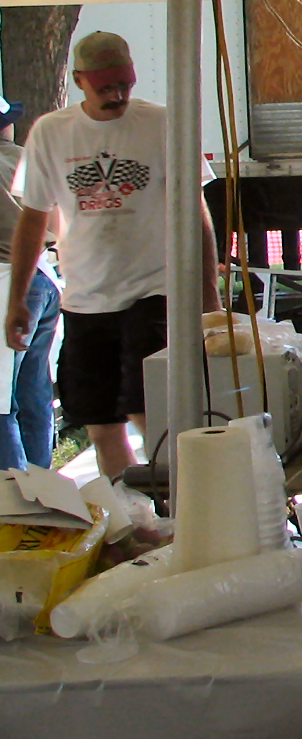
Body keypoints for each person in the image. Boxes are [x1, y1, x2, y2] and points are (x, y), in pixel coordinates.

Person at [6, 31, 221, 480]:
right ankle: (130, 510)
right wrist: (18, 298)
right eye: (106, 87)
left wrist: (208, 294)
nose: (118, 96)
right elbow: (33, 219)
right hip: (86, 298)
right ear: (80, 80)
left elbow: (194, 210)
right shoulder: (51, 132)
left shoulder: (161, 123)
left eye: (125, 84)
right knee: (102, 425)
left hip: (154, 289)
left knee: (151, 414)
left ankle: (177, 503)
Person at [0, 97, 60, 470]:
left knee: (1, 402)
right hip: (44, 275)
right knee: (34, 390)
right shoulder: (24, 159)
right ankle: (41, 482)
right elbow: (56, 224)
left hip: (7, 278)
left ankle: (13, 490)